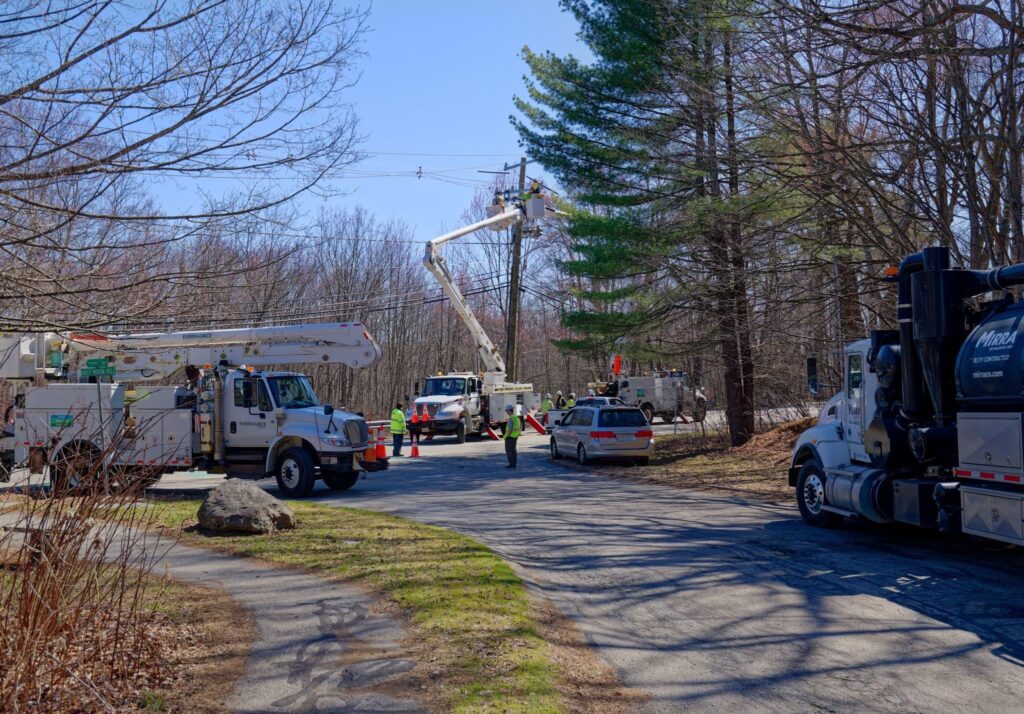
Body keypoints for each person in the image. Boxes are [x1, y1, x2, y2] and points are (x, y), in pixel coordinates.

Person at [503, 404, 521, 469]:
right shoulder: (516, 417)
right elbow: (519, 427)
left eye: (506, 410)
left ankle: (511, 464)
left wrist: (506, 436)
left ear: (509, 410)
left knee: (509, 451)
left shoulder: (511, 418)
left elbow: (510, 429)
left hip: (510, 437)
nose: (506, 412)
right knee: (513, 451)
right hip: (515, 436)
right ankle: (513, 464)